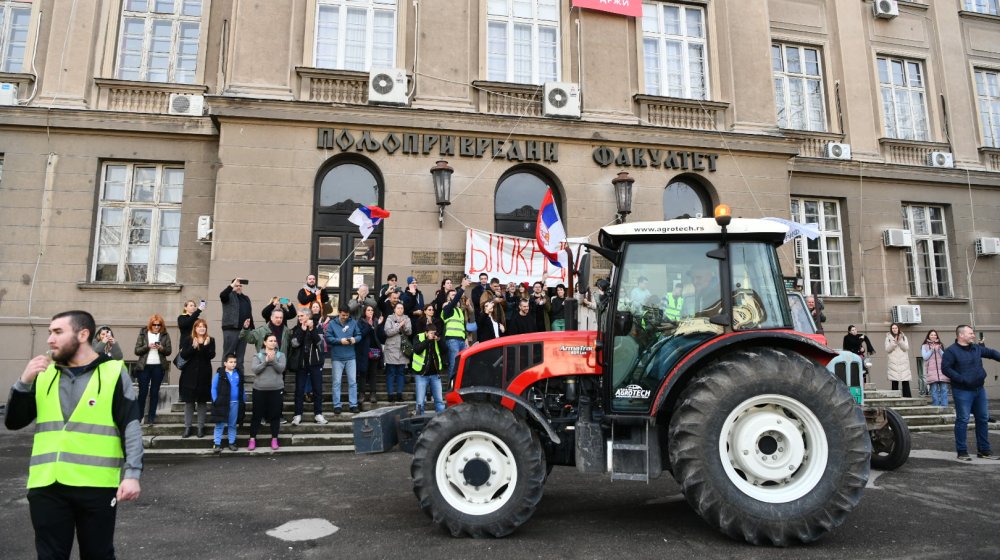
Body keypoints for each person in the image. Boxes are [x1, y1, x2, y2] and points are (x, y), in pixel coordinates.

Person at [5, 310, 142, 559]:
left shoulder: (113, 372)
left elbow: (130, 424)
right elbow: (13, 422)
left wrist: (132, 474)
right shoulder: (43, 374)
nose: (50, 339)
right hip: (47, 485)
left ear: (83, 334)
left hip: (96, 485)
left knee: (98, 554)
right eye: (49, 332)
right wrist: (23, 381)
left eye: (58, 332)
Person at [942, 324, 1000, 461]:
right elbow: (946, 369)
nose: (973, 335)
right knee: (963, 420)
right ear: (961, 335)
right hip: (962, 391)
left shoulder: (976, 348)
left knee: (983, 419)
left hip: (979, 390)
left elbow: (991, 353)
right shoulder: (951, 351)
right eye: (970, 333)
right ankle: (962, 452)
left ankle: (984, 450)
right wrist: (962, 379)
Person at [177, 318, 216, 438]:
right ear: (195, 328)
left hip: (204, 375)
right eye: (199, 326)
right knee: (189, 403)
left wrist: (204, 346)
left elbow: (211, 355)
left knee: (202, 403)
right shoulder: (188, 339)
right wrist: (193, 347)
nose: (202, 328)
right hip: (189, 375)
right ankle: (187, 427)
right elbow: (183, 355)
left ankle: (200, 428)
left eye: (203, 326)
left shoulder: (210, 340)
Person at [247, 333, 286, 451]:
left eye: (275, 341)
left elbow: (281, 369)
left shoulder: (281, 355)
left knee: (275, 415)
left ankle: (274, 438)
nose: (273, 342)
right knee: (256, 415)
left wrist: (273, 360)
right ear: (264, 342)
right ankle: (252, 439)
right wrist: (265, 361)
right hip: (260, 389)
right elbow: (255, 369)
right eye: (270, 340)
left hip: (276, 389)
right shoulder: (257, 355)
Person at [288, 308, 327, 426]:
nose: (299, 318)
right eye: (298, 316)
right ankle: (298, 415)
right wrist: (302, 331)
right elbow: (294, 344)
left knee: (317, 390)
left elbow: (320, 343)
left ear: (308, 316)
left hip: (315, 363)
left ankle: (318, 414)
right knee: (299, 390)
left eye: (301, 316)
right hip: (301, 365)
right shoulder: (297, 329)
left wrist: (312, 329)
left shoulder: (317, 327)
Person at [133, 314, 172, 425]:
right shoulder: (143, 333)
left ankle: (151, 418)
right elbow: (136, 350)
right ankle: (139, 417)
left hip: (158, 367)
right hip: (144, 367)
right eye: (154, 325)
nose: (156, 327)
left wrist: (161, 348)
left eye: (158, 325)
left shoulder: (165, 335)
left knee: (154, 393)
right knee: (143, 392)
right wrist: (148, 346)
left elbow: (169, 351)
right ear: (151, 324)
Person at [325, 304, 362, 414]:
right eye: (343, 315)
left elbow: (359, 335)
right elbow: (328, 338)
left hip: (351, 357)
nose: (345, 317)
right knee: (336, 382)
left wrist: (355, 339)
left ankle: (353, 404)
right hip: (337, 357)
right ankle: (337, 405)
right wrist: (340, 341)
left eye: (346, 315)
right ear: (339, 313)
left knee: (353, 382)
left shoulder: (353, 322)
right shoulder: (332, 324)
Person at [210, 353, 243, 453]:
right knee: (220, 423)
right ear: (225, 363)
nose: (233, 364)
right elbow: (213, 388)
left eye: (235, 362)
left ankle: (232, 443)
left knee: (232, 424)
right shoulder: (220, 375)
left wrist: (243, 400)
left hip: (235, 403)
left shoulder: (238, 374)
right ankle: (217, 444)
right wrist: (216, 400)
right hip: (222, 403)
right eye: (231, 362)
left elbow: (241, 388)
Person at [411, 323, 447, 416]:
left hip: (435, 374)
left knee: (439, 401)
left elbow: (445, 350)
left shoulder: (437, 339)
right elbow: (417, 349)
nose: (433, 335)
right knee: (420, 402)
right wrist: (428, 340)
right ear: (426, 333)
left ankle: (442, 421)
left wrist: (439, 340)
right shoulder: (418, 337)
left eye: (434, 333)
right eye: (431, 333)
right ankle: (419, 421)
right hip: (421, 375)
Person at [220, 277, 254, 371]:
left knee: (240, 357)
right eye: (236, 285)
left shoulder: (246, 298)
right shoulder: (228, 295)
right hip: (231, 330)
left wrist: (252, 329)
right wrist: (232, 286)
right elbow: (222, 295)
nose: (238, 287)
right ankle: (224, 378)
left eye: (240, 286)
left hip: (244, 331)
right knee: (228, 354)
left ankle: (239, 379)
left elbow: (249, 314)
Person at [441, 277, 471, 382]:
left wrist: (466, 340)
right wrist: (462, 287)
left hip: (462, 340)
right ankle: (451, 388)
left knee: (463, 366)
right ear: (449, 299)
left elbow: (463, 327)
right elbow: (454, 301)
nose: (455, 298)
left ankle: (459, 387)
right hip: (452, 340)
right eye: (452, 296)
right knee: (453, 365)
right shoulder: (447, 309)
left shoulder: (459, 310)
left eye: (455, 295)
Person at [383, 301, 413, 403]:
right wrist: (398, 326)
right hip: (391, 349)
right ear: (394, 310)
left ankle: (399, 394)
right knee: (390, 372)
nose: (400, 310)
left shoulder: (407, 318)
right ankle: (390, 394)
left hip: (403, 349)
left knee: (401, 373)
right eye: (398, 308)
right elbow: (388, 332)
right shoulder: (389, 318)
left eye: (402, 308)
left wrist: (404, 326)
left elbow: (409, 332)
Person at [356, 304, 383, 406]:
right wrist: (369, 325)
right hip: (363, 351)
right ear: (364, 312)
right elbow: (361, 335)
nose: (370, 312)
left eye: (372, 310)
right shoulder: (360, 322)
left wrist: (378, 326)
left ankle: (373, 394)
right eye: (368, 310)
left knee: (373, 373)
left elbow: (380, 336)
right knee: (363, 373)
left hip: (374, 351)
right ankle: (362, 394)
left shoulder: (376, 321)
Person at [921, 329, 949, 407]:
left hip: (942, 371)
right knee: (934, 390)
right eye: (931, 335)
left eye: (934, 335)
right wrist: (931, 350)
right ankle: (936, 406)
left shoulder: (941, 345)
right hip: (931, 371)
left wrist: (939, 350)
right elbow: (925, 357)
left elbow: (945, 357)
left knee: (944, 390)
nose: (933, 336)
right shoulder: (925, 346)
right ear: (928, 336)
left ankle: (945, 407)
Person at [885, 323, 912, 398]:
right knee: (894, 381)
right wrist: (894, 342)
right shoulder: (888, 338)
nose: (894, 329)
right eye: (893, 328)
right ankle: (895, 398)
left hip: (903, 362)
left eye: (896, 328)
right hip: (893, 362)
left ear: (898, 328)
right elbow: (887, 349)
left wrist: (900, 341)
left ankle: (907, 398)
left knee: (905, 381)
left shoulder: (904, 337)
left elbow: (906, 348)